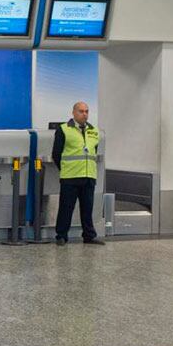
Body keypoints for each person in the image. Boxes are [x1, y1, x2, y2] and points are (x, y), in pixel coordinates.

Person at [52, 101, 105, 246]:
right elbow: (56, 154)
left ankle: (89, 235)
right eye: (81, 111)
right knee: (66, 208)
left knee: (87, 208)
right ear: (74, 113)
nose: (85, 114)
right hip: (70, 176)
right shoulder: (63, 129)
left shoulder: (94, 131)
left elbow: (94, 151)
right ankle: (61, 236)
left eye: (87, 111)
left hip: (88, 175)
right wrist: (65, 168)